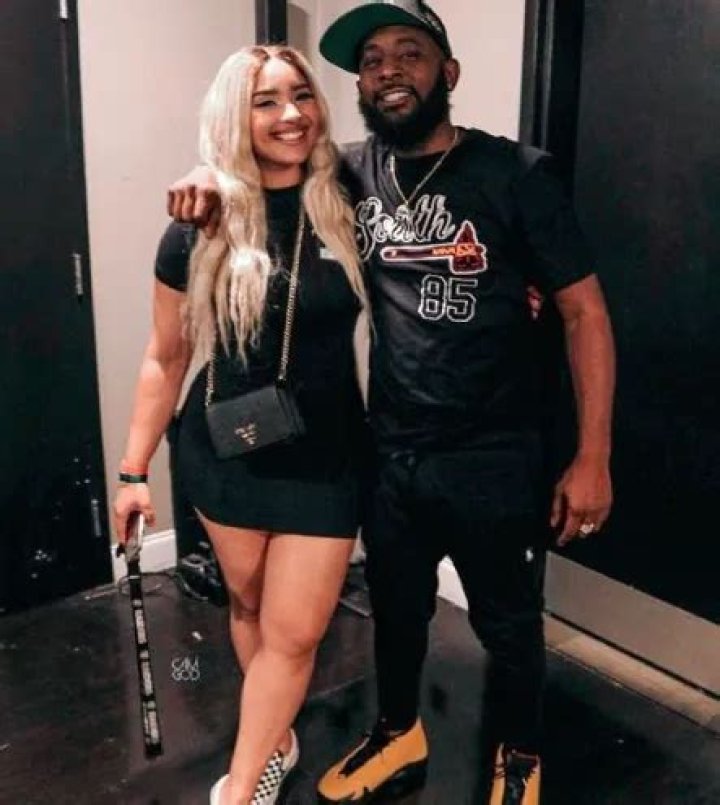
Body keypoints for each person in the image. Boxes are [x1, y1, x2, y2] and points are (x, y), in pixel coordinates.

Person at [166, 3, 616, 803]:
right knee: (399, 610)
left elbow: (584, 312)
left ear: (448, 72)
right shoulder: (347, 172)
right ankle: (398, 730)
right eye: (372, 60)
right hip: (390, 447)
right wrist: (206, 175)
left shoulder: (517, 173)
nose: (388, 71)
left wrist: (593, 455)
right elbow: (265, 158)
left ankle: (520, 750)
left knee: (507, 621)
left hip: (493, 452)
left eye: (410, 53)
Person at [114, 44, 369, 805]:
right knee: (251, 608)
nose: (291, 114)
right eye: (266, 101)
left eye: (302, 95)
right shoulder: (198, 224)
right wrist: (132, 471)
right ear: (235, 116)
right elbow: (165, 357)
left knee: (295, 633)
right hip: (226, 451)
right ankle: (277, 738)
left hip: (327, 459)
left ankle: (240, 785)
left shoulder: (351, 197)